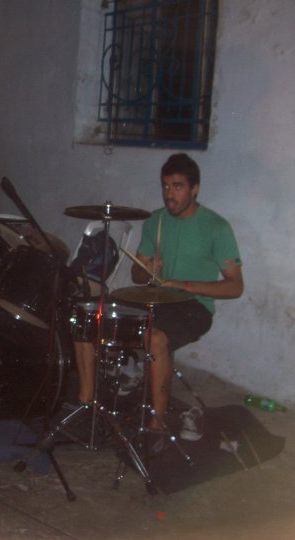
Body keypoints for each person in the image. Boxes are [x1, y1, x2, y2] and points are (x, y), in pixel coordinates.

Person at [73, 153, 243, 448]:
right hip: (155, 296)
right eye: (165, 187)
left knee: (156, 339)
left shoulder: (217, 227)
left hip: (194, 307)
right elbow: (139, 275)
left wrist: (185, 285)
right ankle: (87, 403)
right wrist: (147, 268)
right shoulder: (155, 221)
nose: (169, 195)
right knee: (89, 314)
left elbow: (235, 287)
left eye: (177, 187)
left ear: (195, 189)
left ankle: (157, 425)